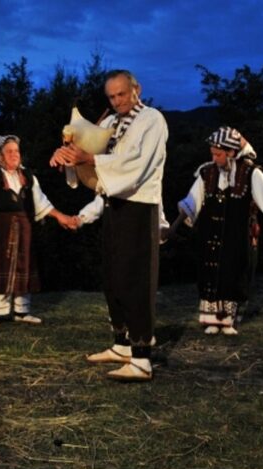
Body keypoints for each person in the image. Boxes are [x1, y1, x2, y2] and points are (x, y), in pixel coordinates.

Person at [50, 69, 167, 382]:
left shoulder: (152, 120)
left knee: (136, 279)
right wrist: (68, 155)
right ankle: (122, 344)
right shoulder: (109, 123)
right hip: (113, 204)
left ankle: (142, 358)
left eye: (122, 94)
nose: (117, 101)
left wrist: (90, 159)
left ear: (136, 89)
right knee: (113, 276)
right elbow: (88, 157)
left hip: (140, 205)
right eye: (112, 96)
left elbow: (136, 163)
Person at [168, 127, 263, 336]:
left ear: (232, 152)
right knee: (210, 272)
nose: (215, 158)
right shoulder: (207, 172)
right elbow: (192, 201)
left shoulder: (251, 172)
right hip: (211, 233)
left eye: (219, 154)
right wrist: (173, 226)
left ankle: (228, 321)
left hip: (237, 235)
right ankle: (211, 321)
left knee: (233, 271)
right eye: (212, 154)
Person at [0, 135, 78, 327]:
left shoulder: (27, 176)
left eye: (17, 151)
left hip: (24, 227)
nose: (14, 155)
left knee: (24, 266)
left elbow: (41, 202)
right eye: (9, 151)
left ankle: (21, 311)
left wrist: (61, 217)